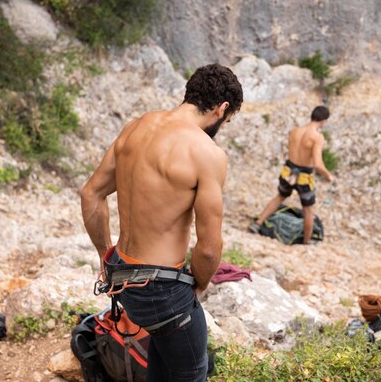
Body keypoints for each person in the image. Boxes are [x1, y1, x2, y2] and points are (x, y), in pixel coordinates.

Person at [80, 63, 243, 382]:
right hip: (163, 293)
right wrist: (197, 285)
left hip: (122, 280)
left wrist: (105, 254)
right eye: (227, 119)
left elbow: (91, 194)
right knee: (193, 373)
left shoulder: (135, 127)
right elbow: (209, 250)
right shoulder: (205, 152)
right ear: (222, 109)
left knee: (162, 362)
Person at [248, 106, 333, 244]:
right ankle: (306, 241)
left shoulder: (295, 131)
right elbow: (317, 163)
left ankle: (257, 223)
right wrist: (328, 175)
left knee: (280, 197)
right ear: (323, 121)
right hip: (304, 177)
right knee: (309, 210)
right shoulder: (317, 137)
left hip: (289, 171)